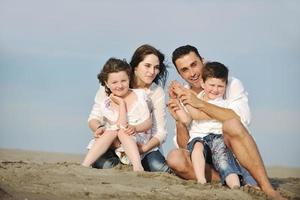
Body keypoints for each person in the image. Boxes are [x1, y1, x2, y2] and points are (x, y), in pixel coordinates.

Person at [166, 45, 285, 199]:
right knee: (175, 158)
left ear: (203, 60)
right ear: (179, 73)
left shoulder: (228, 83)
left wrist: (199, 104)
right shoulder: (182, 93)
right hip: (204, 156)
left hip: (231, 148)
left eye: (194, 64)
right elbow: (184, 146)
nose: (192, 73)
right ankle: (229, 178)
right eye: (185, 69)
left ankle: (267, 188)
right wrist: (179, 120)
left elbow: (241, 119)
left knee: (231, 124)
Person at [171, 62, 256, 188]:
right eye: (212, 85)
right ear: (203, 84)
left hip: (218, 137)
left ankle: (235, 186)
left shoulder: (221, 103)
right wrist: (177, 107)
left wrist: (182, 93)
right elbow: (187, 119)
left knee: (224, 161)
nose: (215, 90)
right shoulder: (198, 97)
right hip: (199, 137)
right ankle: (201, 180)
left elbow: (197, 115)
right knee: (197, 148)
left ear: (225, 86)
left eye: (220, 86)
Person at [87, 44, 170, 172]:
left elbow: (160, 132)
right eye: (147, 66)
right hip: (113, 142)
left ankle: (136, 165)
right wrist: (100, 129)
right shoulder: (113, 83)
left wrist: (142, 149)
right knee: (105, 164)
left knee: (159, 168)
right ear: (135, 66)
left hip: (143, 145)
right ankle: (122, 165)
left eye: (156, 67)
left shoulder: (155, 92)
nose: (152, 71)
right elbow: (94, 117)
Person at [82, 58, 152, 171]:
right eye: (114, 82)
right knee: (110, 131)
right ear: (107, 84)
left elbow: (148, 122)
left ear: (129, 78)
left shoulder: (140, 96)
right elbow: (119, 124)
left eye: (123, 81)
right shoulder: (107, 103)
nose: (119, 85)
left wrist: (135, 127)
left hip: (136, 141)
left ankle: (138, 166)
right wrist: (121, 104)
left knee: (123, 132)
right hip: (116, 144)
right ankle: (85, 164)